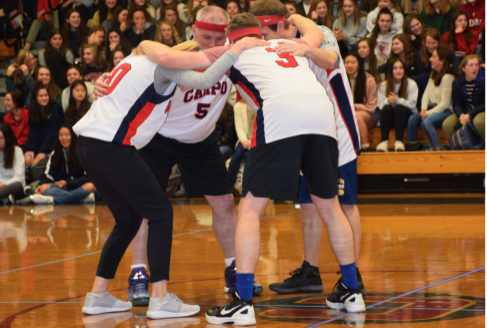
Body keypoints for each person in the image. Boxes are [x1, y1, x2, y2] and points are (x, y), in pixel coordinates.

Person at [92, 6, 277, 305]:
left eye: (220, 39)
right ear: (193, 30)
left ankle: (233, 268)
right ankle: (138, 275)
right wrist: (101, 83)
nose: (213, 45)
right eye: (206, 37)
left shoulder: (235, 55)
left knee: (224, 203)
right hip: (160, 139)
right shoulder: (175, 53)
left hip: (202, 142)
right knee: (143, 209)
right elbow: (130, 70)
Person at [204, 12, 364, 326]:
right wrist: (294, 15)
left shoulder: (232, 53)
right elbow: (315, 33)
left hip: (281, 116)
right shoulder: (286, 44)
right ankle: (352, 290)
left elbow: (195, 73)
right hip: (322, 117)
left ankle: (243, 302)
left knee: (250, 208)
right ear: (260, 33)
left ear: (230, 37)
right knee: (331, 207)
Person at [250, 5, 365, 303]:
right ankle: (311, 271)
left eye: (264, 31)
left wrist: (304, 48)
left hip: (336, 127)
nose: (261, 37)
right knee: (308, 203)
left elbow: (329, 58)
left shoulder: (318, 34)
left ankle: (351, 276)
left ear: (280, 24)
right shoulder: (267, 45)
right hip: (304, 129)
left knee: (343, 203)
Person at [31, 125, 96, 205]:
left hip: (79, 186)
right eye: (61, 135)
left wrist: (67, 183)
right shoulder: (55, 154)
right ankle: (80, 198)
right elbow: (48, 177)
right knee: (44, 187)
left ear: (72, 136)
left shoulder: (82, 152)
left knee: (90, 186)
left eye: (67, 135)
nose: (63, 138)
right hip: (60, 188)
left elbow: (88, 178)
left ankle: (53, 200)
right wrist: (39, 186)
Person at [408, 48, 457, 150]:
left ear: (442, 61)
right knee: (412, 119)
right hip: (434, 109)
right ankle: (411, 148)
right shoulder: (433, 75)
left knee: (426, 121)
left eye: (433, 57)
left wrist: (428, 113)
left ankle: (437, 149)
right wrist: (423, 109)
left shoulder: (447, 77)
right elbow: (426, 95)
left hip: (446, 111)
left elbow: (445, 103)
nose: (430, 59)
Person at [377, 58, 419, 151]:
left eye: (401, 68)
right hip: (390, 117)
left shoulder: (411, 84)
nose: (398, 71)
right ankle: (384, 142)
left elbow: (412, 105)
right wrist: (388, 100)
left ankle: (399, 141)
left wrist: (397, 100)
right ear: (390, 71)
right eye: (395, 68)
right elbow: (380, 105)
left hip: (407, 116)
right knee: (387, 108)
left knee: (399, 108)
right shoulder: (384, 85)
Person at [443, 54, 485, 141]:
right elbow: (457, 104)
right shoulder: (457, 82)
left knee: (479, 122)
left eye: (476, 65)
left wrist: (469, 115)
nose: (474, 68)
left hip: (481, 111)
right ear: (463, 69)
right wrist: (461, 115)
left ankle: (482, 147)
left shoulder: (484, 80)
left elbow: (484, 104)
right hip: (465, 112)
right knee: (447, 125)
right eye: (471, 65)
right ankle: (457, 148)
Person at [24, 84, 64, 169]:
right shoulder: (33, 110)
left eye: (46, 95)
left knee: (38, 165)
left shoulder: (55, 108)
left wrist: (43, 151)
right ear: (35, 97)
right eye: (41, 96)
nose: (44, 98)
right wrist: (30, 149)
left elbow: (52, 133)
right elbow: (32, 131)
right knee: (26, 160)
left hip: (51, 147)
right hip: (39, 146)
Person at [344, 52, 378, 151]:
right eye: (347, 62)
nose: (349, 65)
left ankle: (364, 147)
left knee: (357, 115)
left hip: (368, 114)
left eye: (353, 62)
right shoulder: (340, 79)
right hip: (346, 112)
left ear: (359, 64)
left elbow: (372, 106)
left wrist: (356, 106)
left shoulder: (369, 80)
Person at [227, 99, 254, 191]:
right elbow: (239, 128)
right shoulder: (238, 106)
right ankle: (228, 185)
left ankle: (249, 186)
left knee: (248, 156)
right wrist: (244, 141)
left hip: (257, 140)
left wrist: (253, 141)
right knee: (238, 153)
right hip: (244, 140)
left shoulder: (261, 105)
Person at [0, 123, 26, 204]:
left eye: (1, 138)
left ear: (7, 138)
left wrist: (3, 184)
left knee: (17, 186)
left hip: (11, 186)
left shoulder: (17, 151)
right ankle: (5, 200)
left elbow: (19, 177)